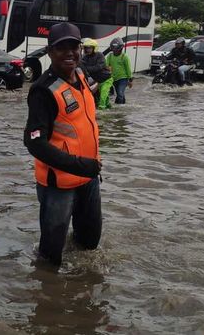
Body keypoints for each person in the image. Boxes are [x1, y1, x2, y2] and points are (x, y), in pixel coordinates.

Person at [24, 22, 102, 267]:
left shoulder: (81, 74)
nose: (69, 52)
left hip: (89, 177)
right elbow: (34, 142)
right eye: (61, 48)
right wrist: (78, 165)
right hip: (58, 185)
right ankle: (48, 295)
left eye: (74, 46)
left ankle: (81, 290)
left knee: (89, 245)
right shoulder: (43, 91)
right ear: (49, 52)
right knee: (50, 256)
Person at [80, 38, 113, 110]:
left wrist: (87, 68)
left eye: (89, 48)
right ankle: (110, 109)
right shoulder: (85, 57)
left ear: (94, 48)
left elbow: (99, 67)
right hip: (98, 81)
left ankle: (102, 114)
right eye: (86, 48)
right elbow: (80, 65)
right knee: (103, 97)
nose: (87, 50)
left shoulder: (100, 55)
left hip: (107, 79)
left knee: (103, 96)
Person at [106, 38, 132, 104]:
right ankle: (122, 106)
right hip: (114, 79)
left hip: (123, 78)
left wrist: (130, 80)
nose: (115, 51)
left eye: (116, 49)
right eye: (113, 49)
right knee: (119, 94)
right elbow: (106, 65)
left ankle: (119, 108)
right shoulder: (110, 56)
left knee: (120, 93)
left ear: (120, 49)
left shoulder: (124, 57)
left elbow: (128, 69)